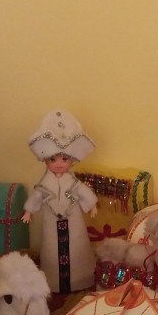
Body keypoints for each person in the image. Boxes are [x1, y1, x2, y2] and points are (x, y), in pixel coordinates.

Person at [22, 109, 99, 294]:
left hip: (73, 221)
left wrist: (92, 205)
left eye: (64, 159)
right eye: (53, 159)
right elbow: (37, 196)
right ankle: (54, 281)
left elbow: (84, 192)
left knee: (76, 246)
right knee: (51, 249)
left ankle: (80, 278)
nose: (58, 164)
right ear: (45, 161)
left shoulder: (73, 183)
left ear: (71, 161)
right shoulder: (44, 184)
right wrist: (28, 211)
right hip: (51, 222)